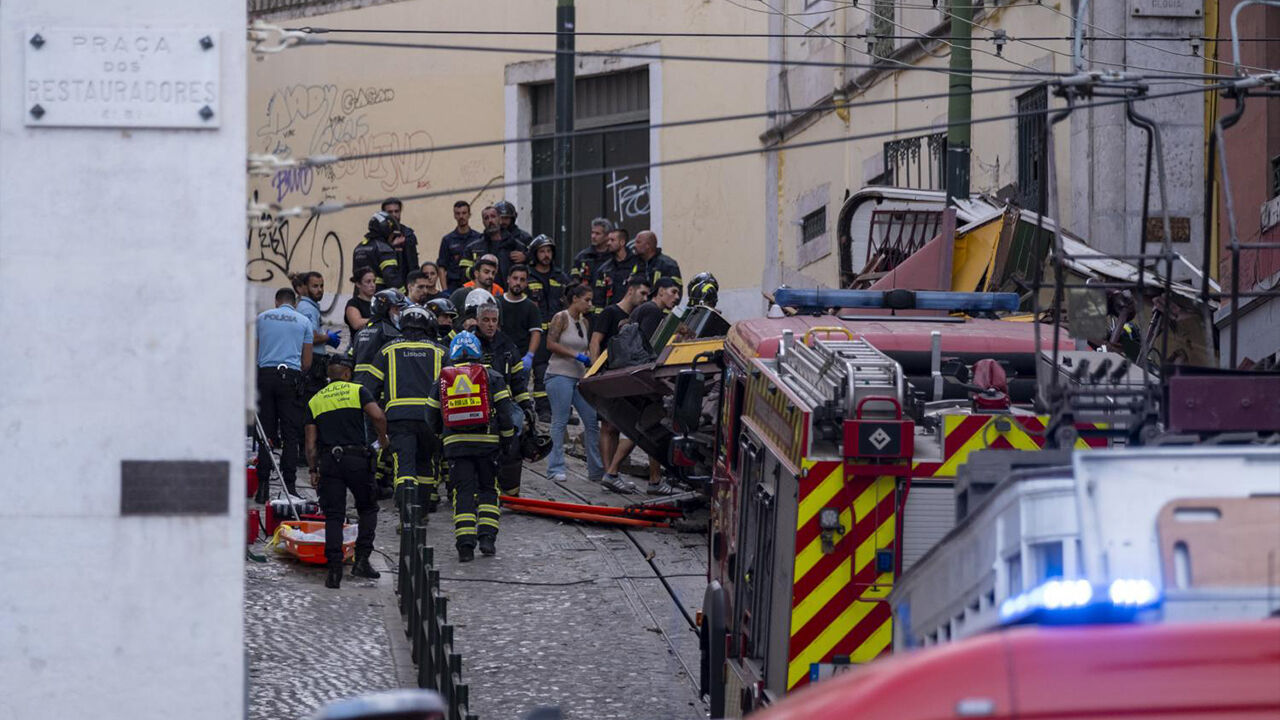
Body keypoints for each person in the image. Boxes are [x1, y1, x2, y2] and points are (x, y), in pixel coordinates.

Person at [426, 332, 517, 562]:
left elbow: (430, 413)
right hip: (487, 445)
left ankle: (465, 545)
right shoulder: (492, 376)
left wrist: (441, 435)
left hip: (456, 447)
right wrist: (506, 439)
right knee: (488, 490)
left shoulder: (443, 378)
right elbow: (506, 412)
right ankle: (487, 538)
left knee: (463, 493)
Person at [303, 353, 388, 589]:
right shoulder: (357, 391)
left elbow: (310, 444)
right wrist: (382, 438)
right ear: (348, 374)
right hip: (357, 459)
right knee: (368, 507)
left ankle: (334, 571)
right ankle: (361, 560)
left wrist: (313, 469)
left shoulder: (315, 400)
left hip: (330, 461)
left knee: (334, 515)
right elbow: (378, 416)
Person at [368, 306, 445, 509]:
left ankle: (407, 519)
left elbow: (370, 390)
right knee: (426, 466)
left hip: (399, 420)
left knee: (404, 468)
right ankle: (423, 514)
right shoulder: (440, 351)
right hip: (431, 420)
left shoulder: (387, 350)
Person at [589, 276, 651, 493]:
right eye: (642, 293)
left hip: (625, 377)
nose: (645, 298)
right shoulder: (610, 312)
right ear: (630, 290)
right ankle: (609, 473)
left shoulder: (638, 316)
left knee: (620, 425)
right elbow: (596, 340)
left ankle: (612, 474)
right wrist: (594, 371)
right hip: (607, 374)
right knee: (608, 425)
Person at [255, 287, 315, 502]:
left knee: (266, 433)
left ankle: (262, 487)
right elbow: (307, 362)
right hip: (289, 378)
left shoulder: (261, 318)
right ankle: (289, 486)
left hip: (265, 376)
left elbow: (253, 350)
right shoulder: (303, 321)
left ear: (276, 302)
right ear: (294, 303)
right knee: (290, 435)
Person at [543, 285, 604, 484]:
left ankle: (596, 469)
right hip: (559, 374)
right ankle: (555, 467)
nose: (590, 304)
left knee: (592, 421)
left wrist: (589, 359)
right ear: (575, 298)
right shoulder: (561, 317)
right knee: (560, 422)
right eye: (586, 300)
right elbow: (550, 344)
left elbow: (585, 347)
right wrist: (575, 355)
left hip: (578, 378)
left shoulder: (584, 322)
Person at [526, 235, 571, 421]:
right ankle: (543, 409)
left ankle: (564, 410)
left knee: (563, 372)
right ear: (535, 254)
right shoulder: (528, 277)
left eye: (549, 251)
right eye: (542, 251)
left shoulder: (561, 277)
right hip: (539, 334)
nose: (546, 255)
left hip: (560, 334)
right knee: (541, 372)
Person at [292, 271, 342, 397]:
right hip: (313, 363)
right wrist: (328, 337)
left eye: (321, 286)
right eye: (315, 286)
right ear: (304, 287)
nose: (320, 290)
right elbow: (311, 337)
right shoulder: (307, 309)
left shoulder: (310, 307)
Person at [499, 265, 543, 378]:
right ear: (508, 279)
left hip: (521, 359)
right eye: (515, 278)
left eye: (522, 280)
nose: (518, 282)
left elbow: (536, 333)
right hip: (499, 358)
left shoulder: (531, 307)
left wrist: (530, 355)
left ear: (526, 283)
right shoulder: (497, 302)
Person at [592, 227, 643, 313]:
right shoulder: (604, 269)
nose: (608, 243)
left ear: (622, 242)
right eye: (608, 240)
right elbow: (598, 298)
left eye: (612, 240)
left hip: (633, 315)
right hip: (611, 315)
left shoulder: (638, 264)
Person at [353, 211, 406, 291]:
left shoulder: (359, 247)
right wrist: (403, 293)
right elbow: (390, 276)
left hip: (360, 295)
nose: (392, 237)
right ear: (386, 231)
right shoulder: (384, 249)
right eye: (392, 234)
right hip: (379, 294)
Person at [437, 200, 481, 291]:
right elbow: (441, 267)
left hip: (473, 283)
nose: (461, 216)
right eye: (458, 213)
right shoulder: (447, 240)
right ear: (454, 215)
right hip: (453, 285)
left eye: (464, 213)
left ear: (469, 214)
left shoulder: (479, 238)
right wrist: (445, 291)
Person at [571, 217, 613, 298]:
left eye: (597, 234)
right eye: (592, 233)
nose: (593, 236)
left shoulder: (613, 257)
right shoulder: (582, 257)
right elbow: (574, 282)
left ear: (607, 236)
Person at [631, 277, 681, 342]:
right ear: (661, 291)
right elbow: (646, 343)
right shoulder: (653, 310)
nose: (677, 297)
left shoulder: (648, 307)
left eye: (678, 293)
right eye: (673, 292)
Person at [382, 197, 420, 277]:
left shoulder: (408, 234)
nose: (394, 215)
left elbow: (413, 263)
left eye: (396, 211)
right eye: (390, 212)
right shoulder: (379, 235)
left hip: (406, 281)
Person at [493, 200, 531, 264]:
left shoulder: (525, 237)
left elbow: (537, 257)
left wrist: (526, 257)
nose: (502, 222)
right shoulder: (489, 237)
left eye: (506, 218)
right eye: (500, 218)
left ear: (512, 219)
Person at [345, 267, 377, 338]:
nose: (372, 285)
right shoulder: (353, 303)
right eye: (368, 282)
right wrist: (378, 319)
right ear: (358, 284)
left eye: (374, 281)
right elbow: (356, 324)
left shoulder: (378, 302)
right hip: (360, 345)